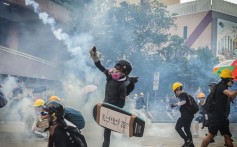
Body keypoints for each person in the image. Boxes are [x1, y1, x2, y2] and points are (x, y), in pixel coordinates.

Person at [89, 46, 134, 147]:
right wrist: (96, 60)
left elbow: (122, 102)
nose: (115, 71)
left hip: (112, 109)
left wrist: (115, 112)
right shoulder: (110, 75)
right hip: (105, 105)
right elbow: (101, 67)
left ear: (124, 73)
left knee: (107, 133)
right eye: (115, 68)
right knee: (106, 132)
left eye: (118, 71)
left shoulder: (123, 85)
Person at [201, 68, 237, 147]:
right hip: (216, 116)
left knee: (227, 135)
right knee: (210, 135)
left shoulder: (224, 87)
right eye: (231, 79)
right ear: (227, 79)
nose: (232, 81)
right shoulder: (221, 86)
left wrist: (233, 95)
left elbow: (228, 99)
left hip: (222, 116)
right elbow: (231, 94)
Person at [170, 82, 195, 147]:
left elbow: (184, 101)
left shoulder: (182, 94)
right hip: (190, 115)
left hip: (186, 115)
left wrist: (175, 104)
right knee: (187, 129)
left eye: (175, 91)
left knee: (177, 127)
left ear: (178, 88)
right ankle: (191, 145)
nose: (175, 93)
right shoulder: (186, 94)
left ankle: (187, 141)